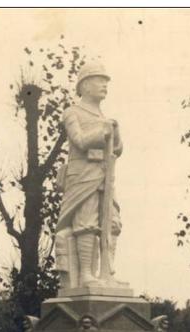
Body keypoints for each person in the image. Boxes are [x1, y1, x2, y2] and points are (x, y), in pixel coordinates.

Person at [55, 61, 124, 289]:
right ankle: (85, 274)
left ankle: (106, 273)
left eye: (106, 81)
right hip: (82, 175)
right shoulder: (72, 113)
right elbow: (80, 140)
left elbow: (117, 150)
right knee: (86, 223)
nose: (105, 85)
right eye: (99, 80)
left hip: (104, 175)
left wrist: (116, 132)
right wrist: (103, 131)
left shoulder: (105, 116)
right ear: (84, 85)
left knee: (112, 224)